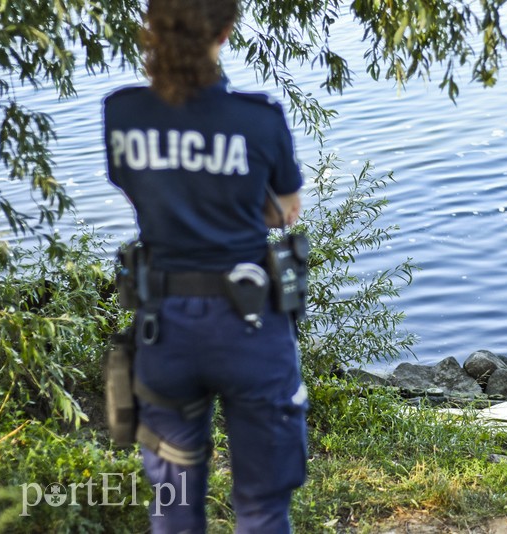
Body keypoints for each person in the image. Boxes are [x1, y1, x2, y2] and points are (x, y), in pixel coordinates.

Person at [102, 0, 308, 532]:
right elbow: (285, 212)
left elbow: (141, 188)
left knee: (172, 504)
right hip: (250, 325)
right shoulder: (258, 119)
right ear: (227, 30)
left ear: (153, 26)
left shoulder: (122, 112)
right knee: (262, 505)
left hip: (163, 326)